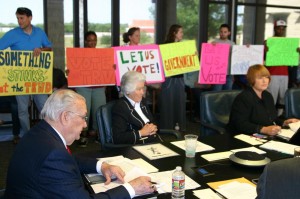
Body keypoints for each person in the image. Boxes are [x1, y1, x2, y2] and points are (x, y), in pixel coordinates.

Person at [4, 89, 155, 198]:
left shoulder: (41, 132)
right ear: (65, 117)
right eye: (83, 117)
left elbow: (67, 160)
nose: (84, 125)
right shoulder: (52, 154)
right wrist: (131, 188)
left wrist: (102, 166)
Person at [0, 7, 52, 134]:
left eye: (21, 18)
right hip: (19, 78)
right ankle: (27, 134)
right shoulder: (12, 33)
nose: (19, 21)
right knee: (22, 109)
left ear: (30, 18)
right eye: (17, 18)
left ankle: (47, 133)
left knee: (44, 107)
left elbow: (49, 48)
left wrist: (41, 50)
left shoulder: (40, 32)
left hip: (38, 77)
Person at [227, 64, 299, 136]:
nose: (265, 81)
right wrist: (263, 129)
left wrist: (285, 122)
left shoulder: (267, 95)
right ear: (252, 79)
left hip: (263, 136)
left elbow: (272, 118)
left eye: (267, 77)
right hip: (244, 136)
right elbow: (240, 124)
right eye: (260, 78)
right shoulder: (243, 98)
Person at [75, 31, 106, 147]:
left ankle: (98, 132)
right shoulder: (79, 54)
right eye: (90, 40)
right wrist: (71, 72)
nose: (92, 42)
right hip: (83, 86)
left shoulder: (101, 54)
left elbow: (106, 69)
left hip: (99, 87)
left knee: (99, 109)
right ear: (85, 41)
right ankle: (83, 134)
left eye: (94, 40)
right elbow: (74, 68)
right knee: (84, 110)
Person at [112, 71, 160, 145]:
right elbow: (118, 138)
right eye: (139, 89)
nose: (142, 92)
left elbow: (152, 121)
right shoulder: (120, 107)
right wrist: (141, 133)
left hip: (153, 143)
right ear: (128, 91)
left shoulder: (142, 101)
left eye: (143, 88)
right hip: (135, 147)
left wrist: (154, 127)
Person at [264, 19, 298, 116]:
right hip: (273, 73)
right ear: (275, 29)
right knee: (272, 96)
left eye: (283, 29)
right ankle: (269, 116)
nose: (281, 30)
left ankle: (279, 116)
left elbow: (293, 59)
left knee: (283, 96)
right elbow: (263, 56)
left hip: (285, 73)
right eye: (279, 28)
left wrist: (296, 52)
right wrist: (266, 47)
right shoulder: (269, 42)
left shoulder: (288, 43)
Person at [159, 24, 186, 131]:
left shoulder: (182, 46)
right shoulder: (165, 45)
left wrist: (193, 55)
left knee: (179, 102)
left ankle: (178, 124)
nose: (182, 34)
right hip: (169, 78)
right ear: (174, 33)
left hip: (179, 78)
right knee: (168, 103)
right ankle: (167, 127)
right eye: (181, 32)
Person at [212, 23, 235, 91]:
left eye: (225, 32)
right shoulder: (214, 43)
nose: (222, 33)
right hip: (218, 74)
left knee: (227, 94)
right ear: (219, 32)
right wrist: (211, 47)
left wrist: (247, 47)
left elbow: (235, 59)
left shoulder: (232, 44)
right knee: (216, 94)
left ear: (229, 33)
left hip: (229, 74)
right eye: (221, 31)